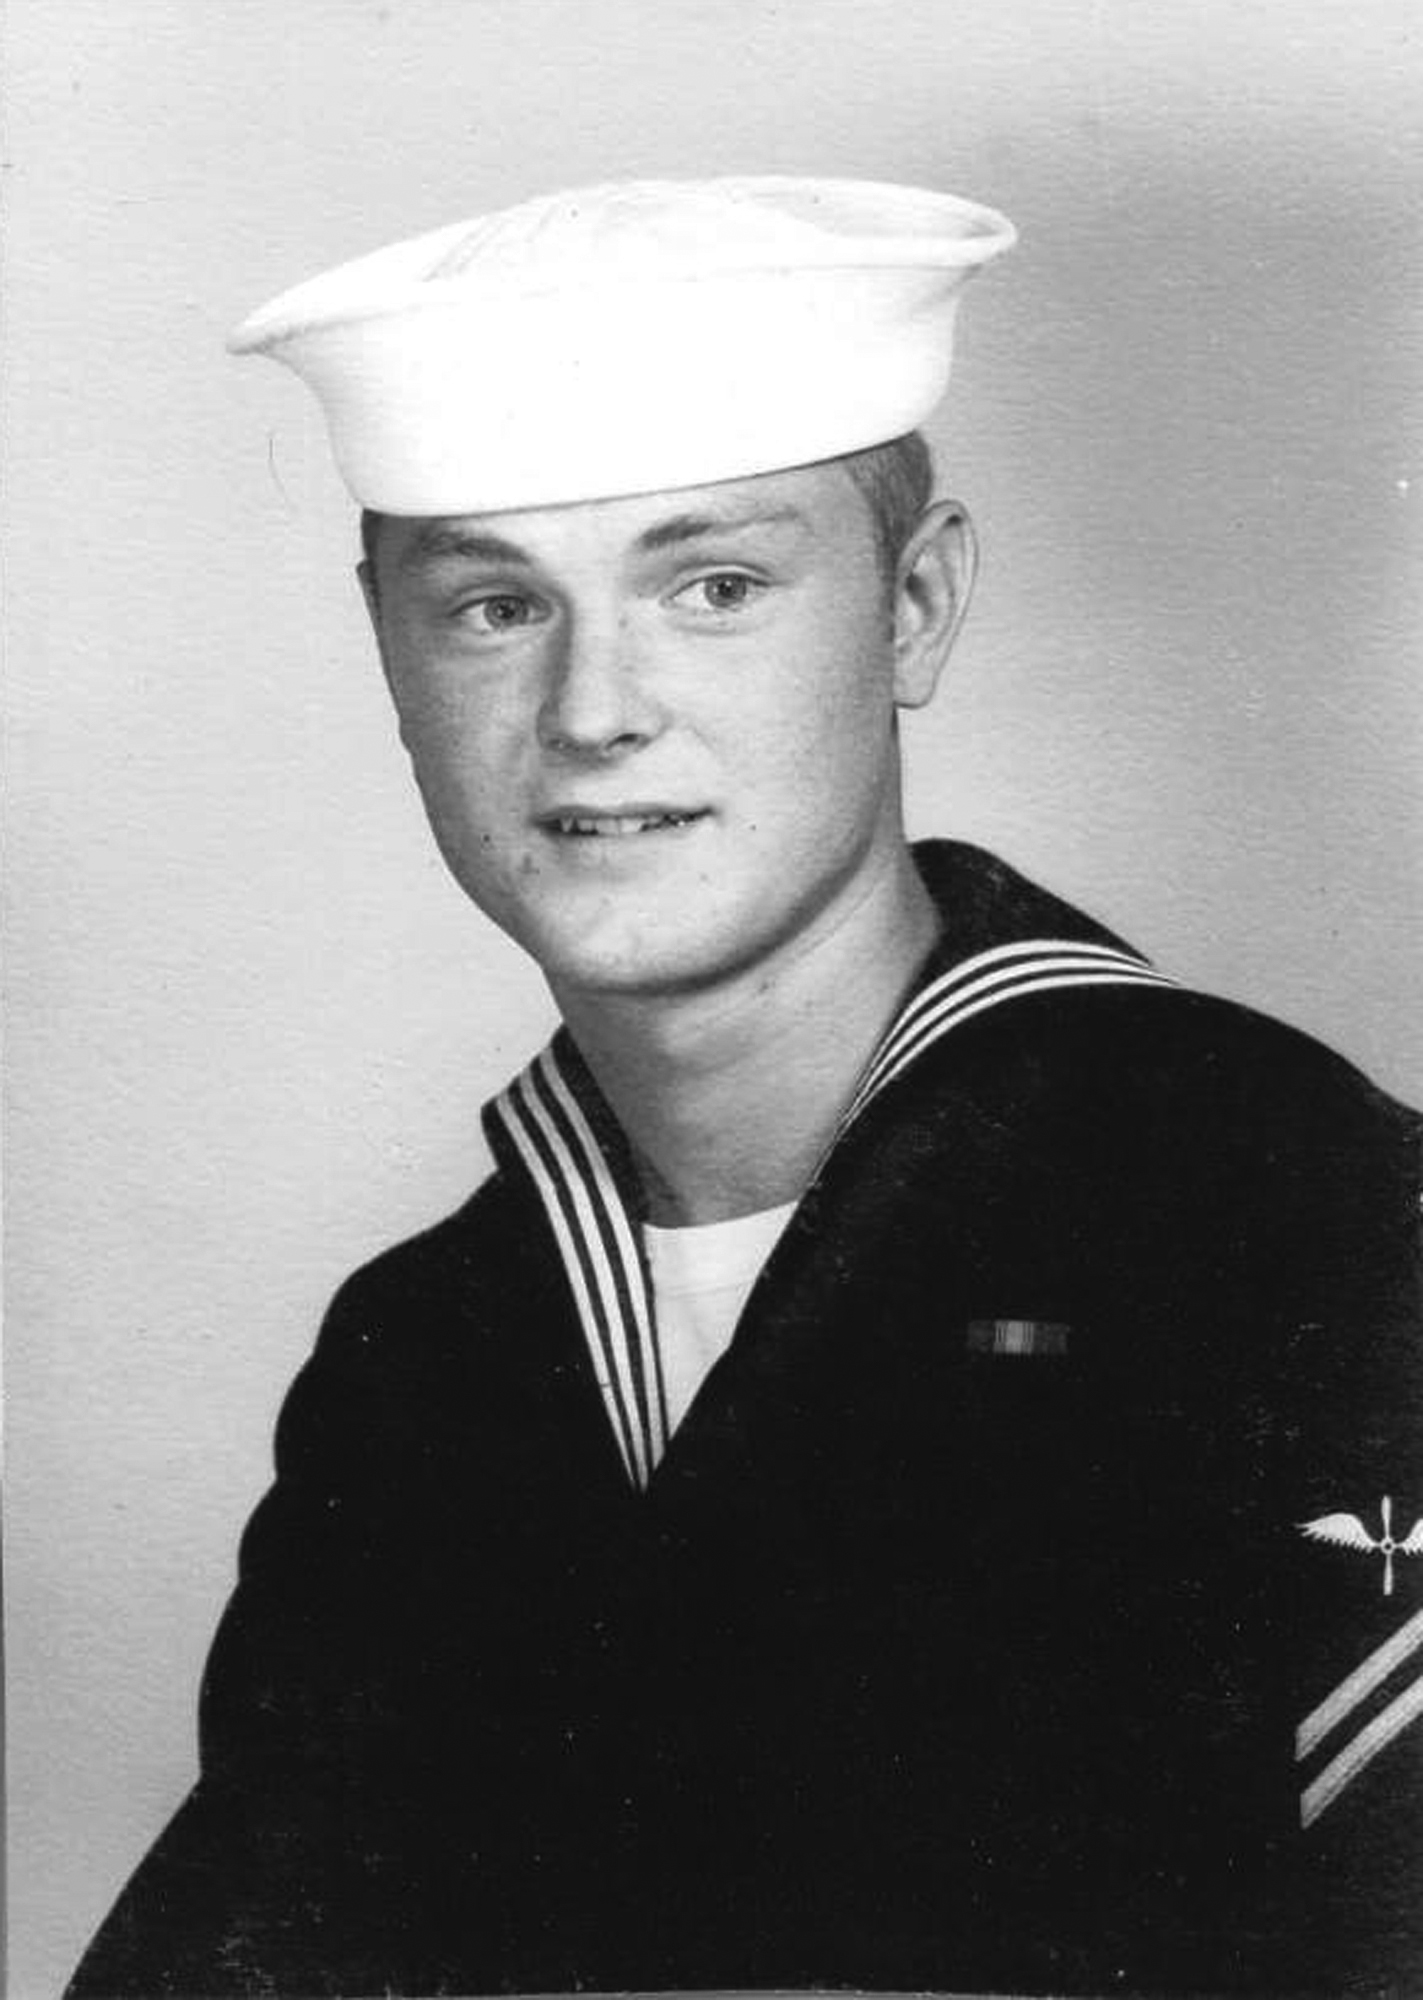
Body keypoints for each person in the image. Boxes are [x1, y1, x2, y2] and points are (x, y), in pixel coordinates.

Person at [70, 176, 1421, 1998]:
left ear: (916, 606)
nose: (592, 711)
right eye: (492, 605)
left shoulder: (1300, 1215)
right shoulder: (421, 1361)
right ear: (386, 648)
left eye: (712, 588)